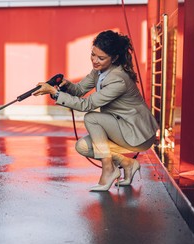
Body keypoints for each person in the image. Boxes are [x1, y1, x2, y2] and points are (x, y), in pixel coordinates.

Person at [33, 30, 158, 192]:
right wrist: (64, 84)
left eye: (101, 58)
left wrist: (55, 93)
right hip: (120, 127)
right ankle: (127, 164)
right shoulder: (99, 72)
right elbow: (79, 90)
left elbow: (87, 105)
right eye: (93, 55)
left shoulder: (118, 79)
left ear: (114, 58)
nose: (95, 60)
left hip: (138, 134)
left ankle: (109, 170)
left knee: (92, 118)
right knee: (82, 147)